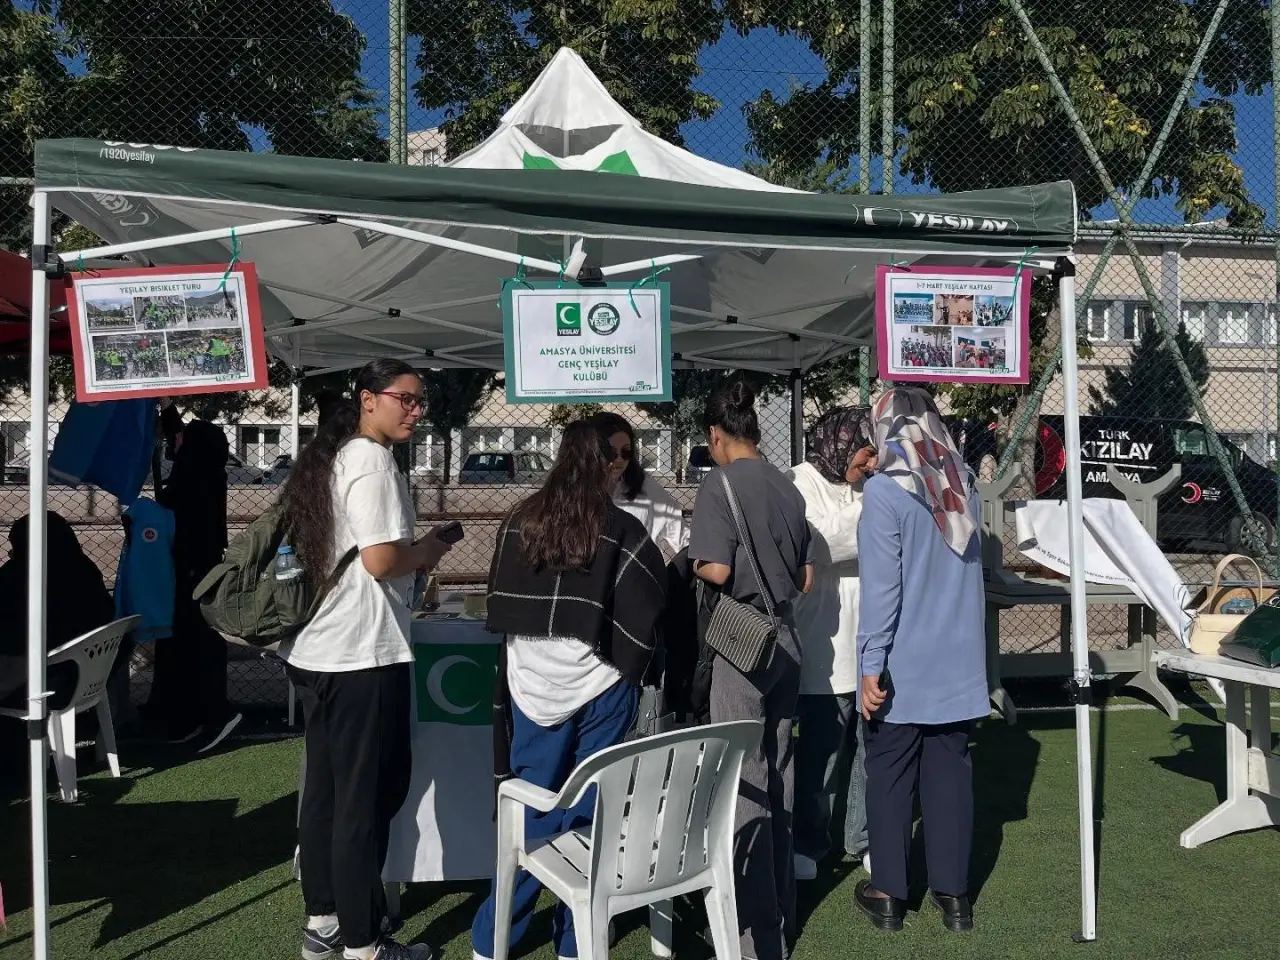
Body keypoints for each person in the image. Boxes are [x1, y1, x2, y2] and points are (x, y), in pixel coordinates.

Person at [471, 420, 667, 960]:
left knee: (530, 812)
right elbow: (650, 603)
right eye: (614, 453)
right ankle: (576, 939)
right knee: (587, 812)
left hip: (530, 682)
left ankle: (494, 937)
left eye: (628, 453)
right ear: (593, 457)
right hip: (601, 684)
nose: (622, 463)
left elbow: (500, 596)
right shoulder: (620, 527)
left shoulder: (520, 517)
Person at [278, 359, 451, 960]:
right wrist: (425, 551)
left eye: (420, 401)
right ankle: (362, 941)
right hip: (360, 652)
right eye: (405, 398)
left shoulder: (336, 458)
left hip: (321, 648)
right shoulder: (372, 460)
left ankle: (326, 921)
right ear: (367, 399)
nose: (415, 411)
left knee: (327, 795)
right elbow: (380, 561)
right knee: (365, 799)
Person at [853, 387, 988, 934]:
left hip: (902, 663)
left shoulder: (885, 492)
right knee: (949, 772)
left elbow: (882, 590)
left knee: (889, 772)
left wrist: (870, 661)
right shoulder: (963, 484)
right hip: (958, 661)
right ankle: (954, 896)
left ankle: (889, 892)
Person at [688, 381, 814, 960]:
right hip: (786, 637)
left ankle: (752, 934)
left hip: (741, 642)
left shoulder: (718, 484)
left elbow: (715, 570)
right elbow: (806, 577)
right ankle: (782, 916)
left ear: (715, 435)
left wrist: (692, 559)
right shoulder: (789, 484)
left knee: (743, 782)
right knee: (781, 773)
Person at [787, 407, 877, 883]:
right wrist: (878, 505)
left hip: (874, 636)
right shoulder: (799, 481)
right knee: (821, 752)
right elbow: (821, 544)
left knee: (871, 747)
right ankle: (808, 840)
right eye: (866, 453)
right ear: (841, 443)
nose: (871, 464)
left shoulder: (866, 485)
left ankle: (863, 838)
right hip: (825, 641)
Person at [146, 416, 242, 752]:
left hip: (193, 573)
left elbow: (184, 522)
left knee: (194, 645)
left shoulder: (193, 480)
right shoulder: (203, 471)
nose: (176, 442)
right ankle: (191, 715)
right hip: (196, 571)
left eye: (182, 439)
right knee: (190, 645)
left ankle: (210, 714)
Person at [0, 512, 116, 713]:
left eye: (15, 546)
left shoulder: (22, 577)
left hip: (45, 679)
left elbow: (12, 636)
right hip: (85, 674)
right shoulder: (85, 569)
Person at [591, 411, 689, 556]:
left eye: (626, 452)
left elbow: (683, 537)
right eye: (611, 452)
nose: (619, 459)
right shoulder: (575, 490)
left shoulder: (645, 487)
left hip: (637, 567)